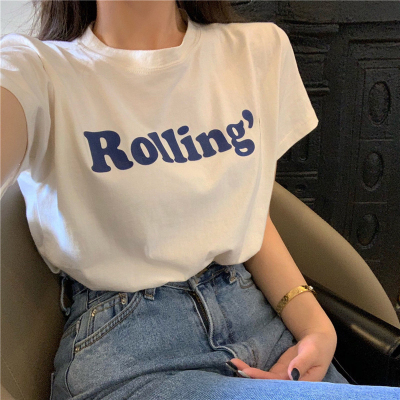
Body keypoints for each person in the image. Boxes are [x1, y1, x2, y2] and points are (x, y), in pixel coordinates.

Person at [1, 1, 399, 399]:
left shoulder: (256, 51)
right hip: (130, 353)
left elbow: (244, 212)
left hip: (261, 323)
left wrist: (314, 325)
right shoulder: (35, 70)